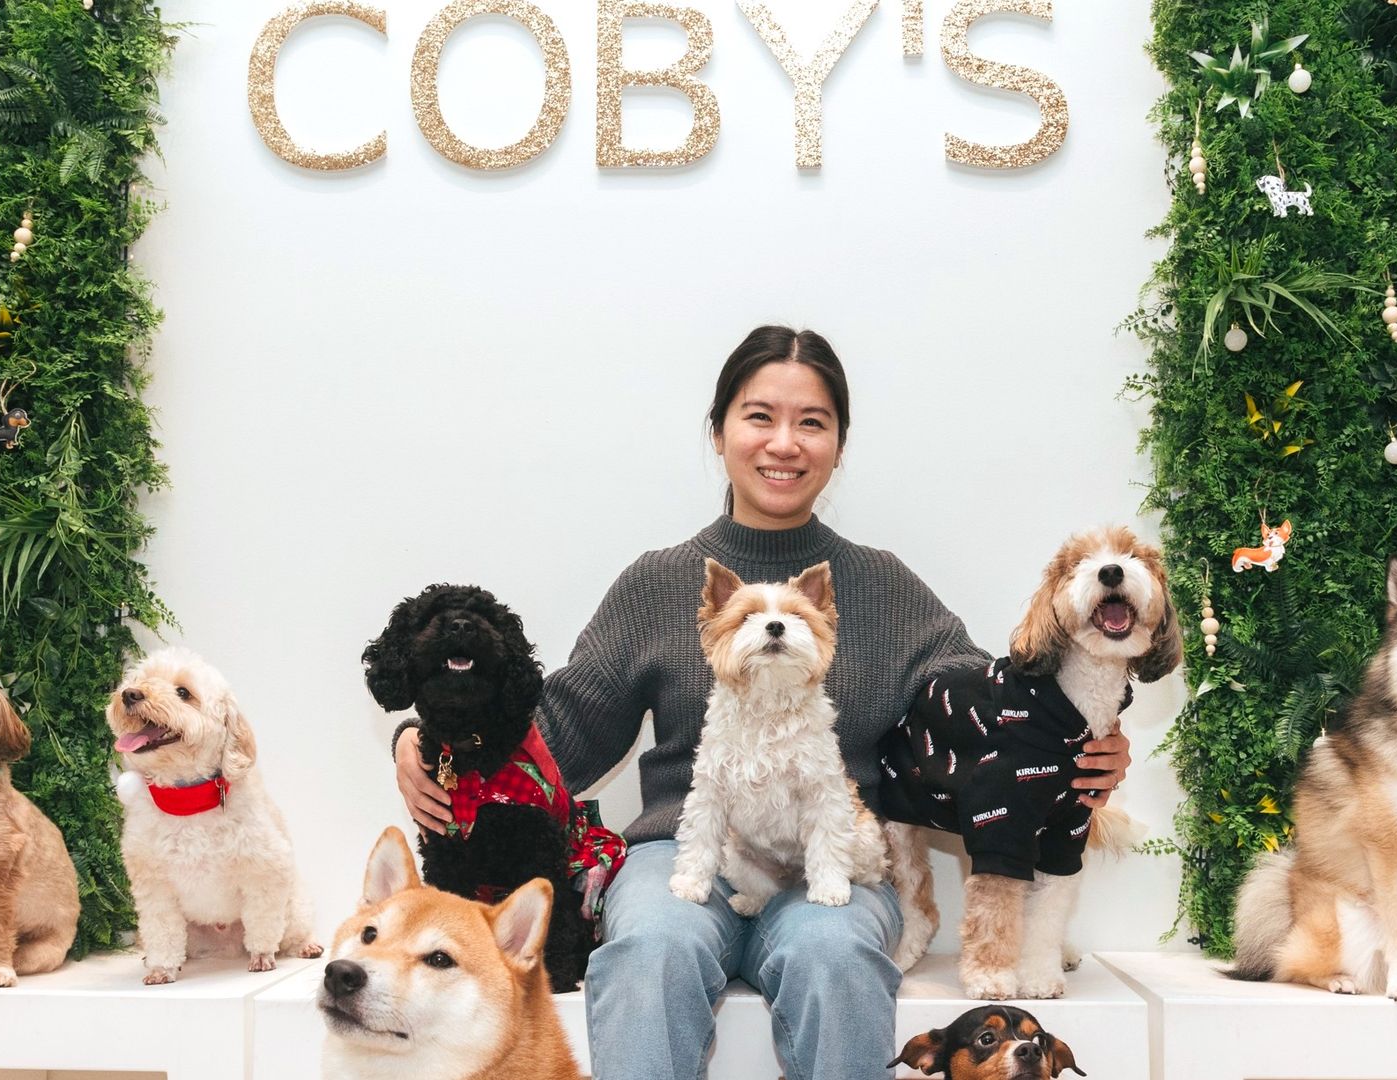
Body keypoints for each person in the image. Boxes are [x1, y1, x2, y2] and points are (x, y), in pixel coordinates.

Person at [391, 326, 1133, 1080]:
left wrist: (1090, 738)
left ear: (839, 446)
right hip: (681, 855)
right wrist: (424, 742)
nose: (784, 443)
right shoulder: (657, 583)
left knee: (835, 956)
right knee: (648, 951)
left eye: (811, 422)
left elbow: (990, 709)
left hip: (830, 861)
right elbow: (559, 733)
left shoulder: (884, 586)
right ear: (718, 432)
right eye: (759, 416)